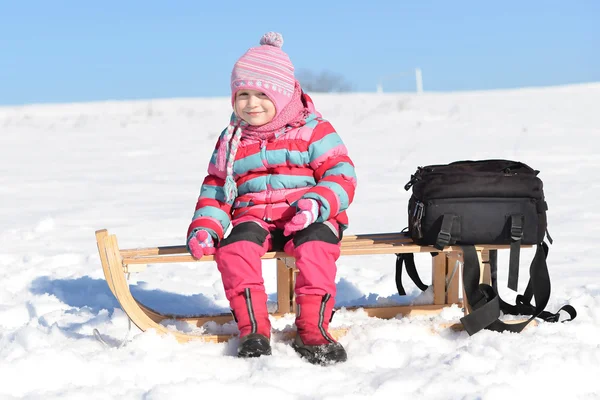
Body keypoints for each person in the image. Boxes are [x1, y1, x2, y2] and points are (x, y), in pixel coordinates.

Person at [186, 32, 357, 365]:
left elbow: (341, 175)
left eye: (262, 94)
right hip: (253, 215)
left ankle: (313, 331)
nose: (251, 104)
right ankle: (254, 331)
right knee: (234, 249)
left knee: (316, 248)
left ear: (281, 93)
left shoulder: (312, 129)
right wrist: (205, 227)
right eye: (243, 94)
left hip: (306, 215)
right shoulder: (233, 138)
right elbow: (218, 187)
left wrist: (315, 205)